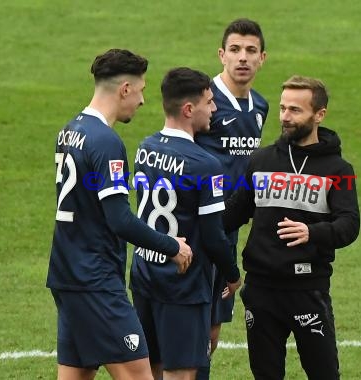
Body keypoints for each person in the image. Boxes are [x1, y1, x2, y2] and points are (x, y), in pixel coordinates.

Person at [46, 49, 193, 380]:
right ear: (125, 88)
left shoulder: (70, 130)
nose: (142, 101)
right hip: (95, 280)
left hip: (67, 275)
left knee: (76, 375)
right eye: (141, 90)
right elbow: (119, 219)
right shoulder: (106, 142)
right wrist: (171, 245)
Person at [223, 75, 360, 380]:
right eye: (283, 108)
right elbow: (232, 214)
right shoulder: (261, 161)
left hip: (307, 289)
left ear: (319, 115)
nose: (285, 116)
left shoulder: (339, 171)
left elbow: (349, 225)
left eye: (295, 110)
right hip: (260, 291)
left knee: (324, 374)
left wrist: (313, 232)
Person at [130, 67, 242, 380]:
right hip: (183, 284)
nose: (215, 109)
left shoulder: (145, 148)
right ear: (189, 109)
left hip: (144, 275)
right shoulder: (205, 164)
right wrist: (232, 276)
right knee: (182, 373)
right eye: (209, 102)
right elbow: (213, 235)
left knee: (150, 368)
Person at [194, 18, 268, 378]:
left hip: (231, 227)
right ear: (221, 55)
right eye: (235, 50)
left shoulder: (261, 107)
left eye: (250, 51)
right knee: (187, 336)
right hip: (199, 227)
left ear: (262, 58)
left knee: (212, 334)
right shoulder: (202, 101)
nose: (243, 58)